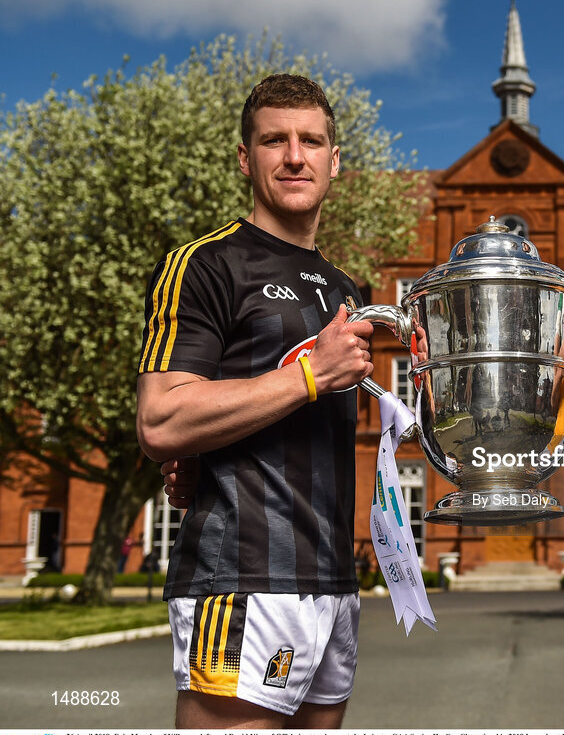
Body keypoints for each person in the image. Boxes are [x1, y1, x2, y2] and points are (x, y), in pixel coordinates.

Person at [136, 73, 375, 729]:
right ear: (247, 158)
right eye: (275, 140)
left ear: (334, 160)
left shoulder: (345, 287)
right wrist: (309, 375)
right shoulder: (208, 264)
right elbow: (161, 418)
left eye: (311, 140)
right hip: (242, 579)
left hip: (332, 585)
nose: (295, 155)